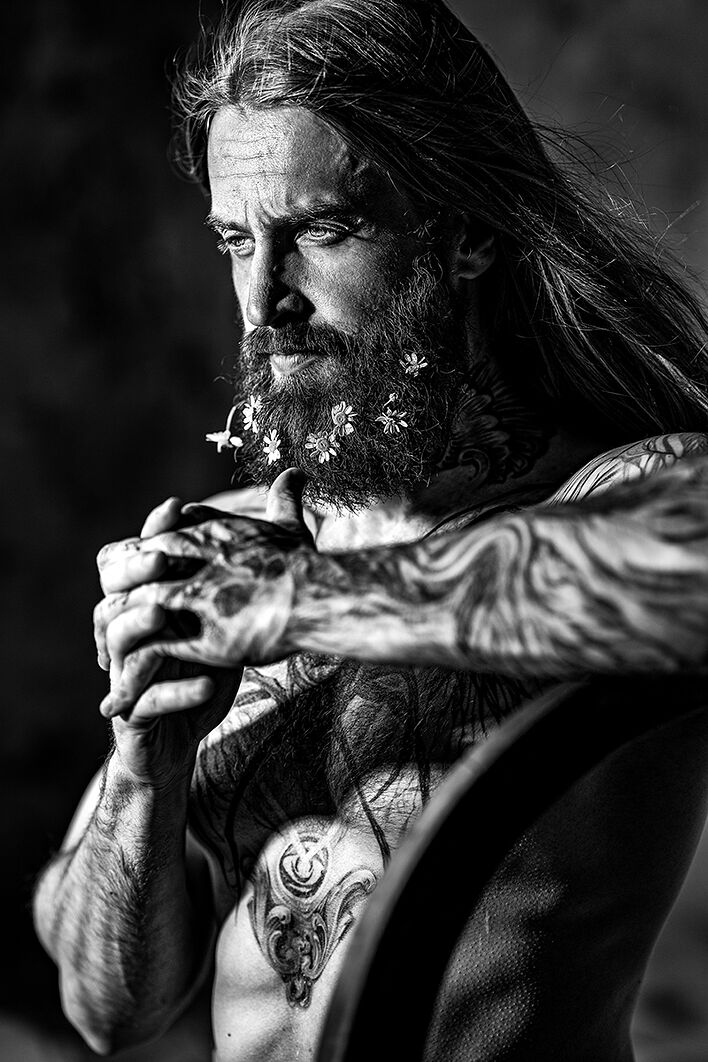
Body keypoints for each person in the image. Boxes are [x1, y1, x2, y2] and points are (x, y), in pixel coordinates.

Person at [33, 1, 708, 1060]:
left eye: (322, 231)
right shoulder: (228, 555)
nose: (264, 300)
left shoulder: (618, 496)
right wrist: (145, 767)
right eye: (236, 241)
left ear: (469, 231)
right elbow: (106, 1008)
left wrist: (295, 602)